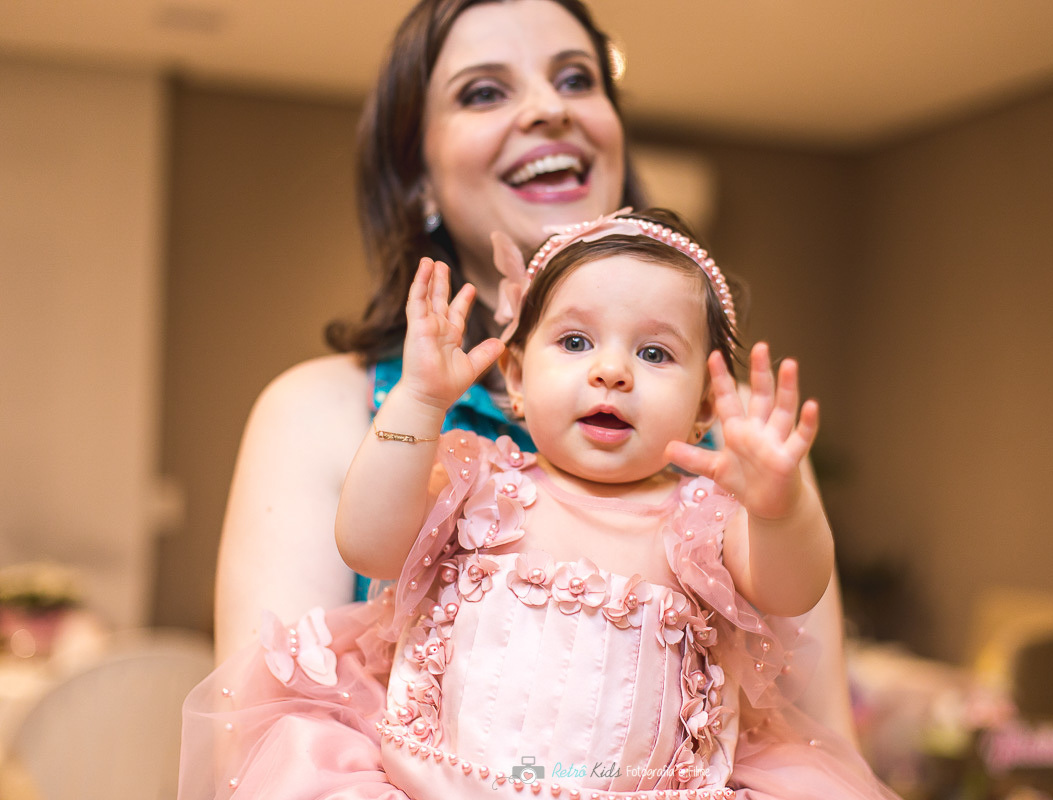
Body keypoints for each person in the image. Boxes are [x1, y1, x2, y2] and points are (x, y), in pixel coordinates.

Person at [212, 0, 860, 749]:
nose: (550, 108)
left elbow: (820, 734)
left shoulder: (740, 450)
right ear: (417, 174)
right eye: (484, 91)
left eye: (576, 79)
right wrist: (422, 401)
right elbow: (261, 738)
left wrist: (779, 503)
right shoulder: (338, 416)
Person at [181, 209, 894, 799]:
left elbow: (791, 588)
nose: (611, 370)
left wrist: (777, 507)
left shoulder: (702, 517)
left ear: (705, 405)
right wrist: (420, 400)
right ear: (517, 377)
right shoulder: (480, 481)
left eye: (654, 354)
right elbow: (367, 543)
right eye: (576, 341)